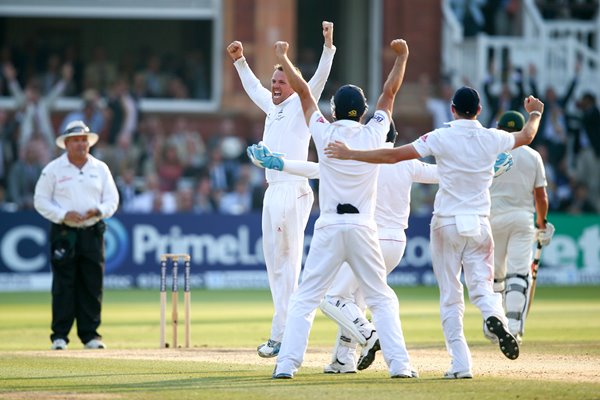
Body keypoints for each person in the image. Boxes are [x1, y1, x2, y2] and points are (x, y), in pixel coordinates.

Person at [325, 86, 545, 379]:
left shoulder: (440, 137)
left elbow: (393, 157)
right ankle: (495, 316)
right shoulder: (493, 137)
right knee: (483, 288)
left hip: (446, 223)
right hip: (480, 222)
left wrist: (352, 153)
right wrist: (535, 113)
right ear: (479, 110)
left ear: (452, 109)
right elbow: (528, 136)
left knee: (451, 297)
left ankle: (461, 364)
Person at [270, 37, 415, 380]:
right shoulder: (376, 132)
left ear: (334, 110)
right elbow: (390, 93)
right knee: (381, 299)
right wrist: (402, 57)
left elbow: (304, 92)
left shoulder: (324, 132)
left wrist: (283, 58)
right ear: (363, 111)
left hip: (331, 226)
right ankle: (401, 367)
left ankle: (286, 366)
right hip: (365, 228)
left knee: (305, 299)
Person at [248, 119, 438, 374]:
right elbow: (441, 174)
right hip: (396, 242)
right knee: (355, 301)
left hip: (369, 237)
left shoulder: (360, 156)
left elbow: (315, 168)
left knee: (333, 298)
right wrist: (486, 169)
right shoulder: (407, 162)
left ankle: (370, 336)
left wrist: (280, 163)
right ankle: (342, 360)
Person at [226, 21, 336, 358]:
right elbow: (253, 88)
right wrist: (240, 60)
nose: (275, 87)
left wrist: (328, 45)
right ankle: (284, 332)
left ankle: (283, 336)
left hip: (293, 187)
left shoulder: (303, 104)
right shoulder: (272, 108)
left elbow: (316, 79)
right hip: (273, 189)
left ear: (294, 85)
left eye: (281, 82)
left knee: (287, 264)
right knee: (275, 264)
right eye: (274, 81)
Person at [33, 120, 119, 350]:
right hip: (64, 232)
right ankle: (59, 336)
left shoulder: (100, 168)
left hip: (92, 231)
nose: (81, 144)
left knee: (92, 283)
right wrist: (63, 215)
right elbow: (40, 201)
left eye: (84, 140)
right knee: (64, 283)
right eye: (76, 140)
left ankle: (91, 335)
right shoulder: (53, 169)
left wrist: (99, 211)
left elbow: (112, 200)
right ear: (66, 144)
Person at [489, 110, 554, 344]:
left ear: (499, 128)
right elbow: (541, 197)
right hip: (522, 219)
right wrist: (542, 223)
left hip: (491, 217)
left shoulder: (490, 152)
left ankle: (493, 321)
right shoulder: (533, 156)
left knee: (494, 275)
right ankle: (514, 326)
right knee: (518, 273)